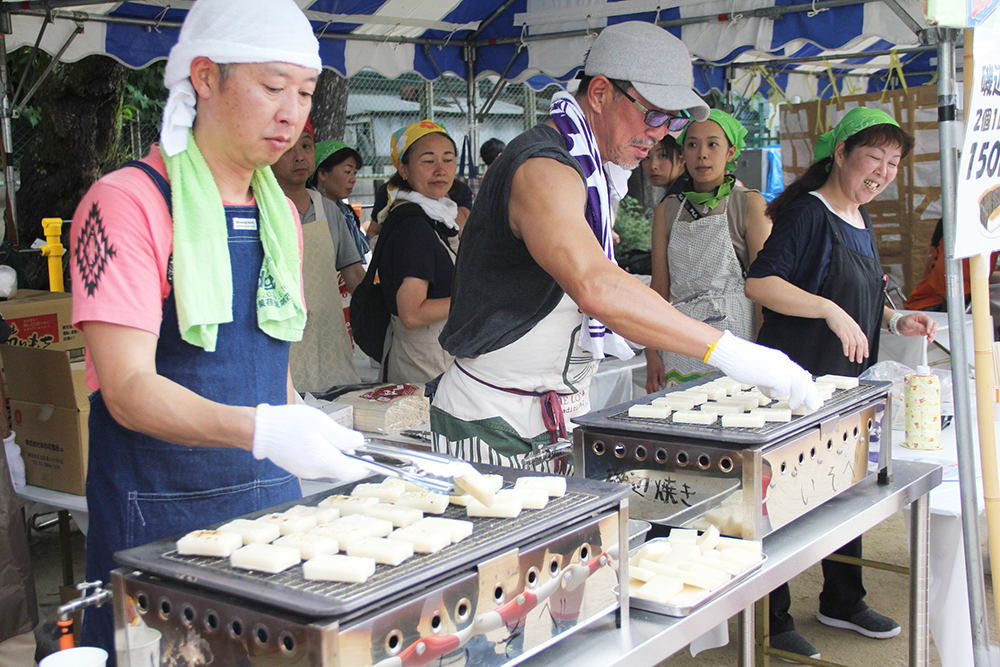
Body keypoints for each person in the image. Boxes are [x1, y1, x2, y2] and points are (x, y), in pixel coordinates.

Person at [69, 0, 368, 658]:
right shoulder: (125, 204)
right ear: (205, 77)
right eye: (271, 87)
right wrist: (262, 429)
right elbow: (127, 387)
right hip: (159, 520)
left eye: (306, 91)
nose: (292, 112)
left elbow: (270, 368)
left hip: (275, 515)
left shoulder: (280, 214)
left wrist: (303, 422)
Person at [430, 21, 819, 468]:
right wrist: (733, 351)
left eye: (672, 121)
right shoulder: (543, 168)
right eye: (653, 114)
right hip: (493, 418)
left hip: (553, 412)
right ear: (599, 93)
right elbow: (596, 285)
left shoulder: (593, 173)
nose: (661, 134)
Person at [744, 107, 938, 660]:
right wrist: (827, 309)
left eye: (894, 162)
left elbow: (863, 296)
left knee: (843, 492)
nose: (882, 171)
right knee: (783, 501)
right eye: (873, 157)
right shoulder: (810, 213)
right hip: (798, 383)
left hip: (846, 388)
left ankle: (843, 599)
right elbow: (760, 283)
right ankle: (773, 617)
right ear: (842, 155)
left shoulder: (859, 216)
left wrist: (895, 320)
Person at [645, 110, 771, 392]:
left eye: (713, 144)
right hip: (680, 342)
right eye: (692, 145)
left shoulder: (749, 204)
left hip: (738, 342)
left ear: (731, 152)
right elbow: (659, 290)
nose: (702, 154)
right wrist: (651, 352)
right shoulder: (667, 211)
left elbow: (764, 288)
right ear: (683, 154)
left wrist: (764, 351)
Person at [271, 120, 363, 392]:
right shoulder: (261, 208)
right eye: (288, 148)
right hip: (283, 343)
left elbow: (355, 274)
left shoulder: (329, 211)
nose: (299, 156)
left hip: (329, 339)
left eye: (306, 146)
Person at [373, 120, 459, 383]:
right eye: (428, 161)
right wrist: (474, 299)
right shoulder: (413, 227)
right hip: (422, 364)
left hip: (434, 356)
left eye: (448, 159)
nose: (441, 170)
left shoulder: (434, 217)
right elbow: (412, 314)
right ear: (404, 169)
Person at [904, 218, 999, 311]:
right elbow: (946, 280)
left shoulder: (986, 228)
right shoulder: (969, 229)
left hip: (951, 301)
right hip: (935, 305)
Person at [313, 139, 370, 260]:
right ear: (322, 174)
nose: (353, 179)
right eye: (347, 172)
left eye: (354, 173)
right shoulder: (312, 212)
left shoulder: (346, 212)